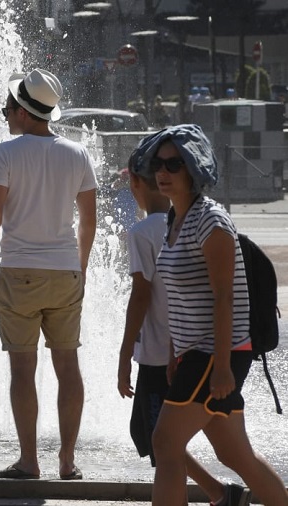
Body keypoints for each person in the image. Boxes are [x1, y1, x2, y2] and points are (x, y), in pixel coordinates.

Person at [130, 124, 288, 506]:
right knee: (235, 456)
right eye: (158, 165)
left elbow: (223, 298)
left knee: (165, 443)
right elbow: (179, 297)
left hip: (215, 354)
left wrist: (220, 367)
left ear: (194, 169)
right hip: (195, 353)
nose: (163, 173)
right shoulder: (175, 221)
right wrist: (172, 352)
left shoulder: (211, 222)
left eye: (174, 164)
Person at [0, 68, 97, 481]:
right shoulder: (77, 154)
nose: (5, 115)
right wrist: (79, 266)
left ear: (23, 112)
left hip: (19, 272)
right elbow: (88, 222)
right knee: (68, 366)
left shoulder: (7, 152)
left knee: (23, 371)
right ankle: (67, 460)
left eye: (7, 108)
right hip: (64, 272)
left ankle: (29, 461)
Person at [117, 147, 251, 506]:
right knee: (173, 441)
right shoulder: (175, 223)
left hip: (171, 355)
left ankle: (219, 492)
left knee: (158, 440)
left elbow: (141, 296)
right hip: (183, 352)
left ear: (134, 184)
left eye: (171, 165)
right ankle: (221, 492)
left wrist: (125, 351)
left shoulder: (152, 229)